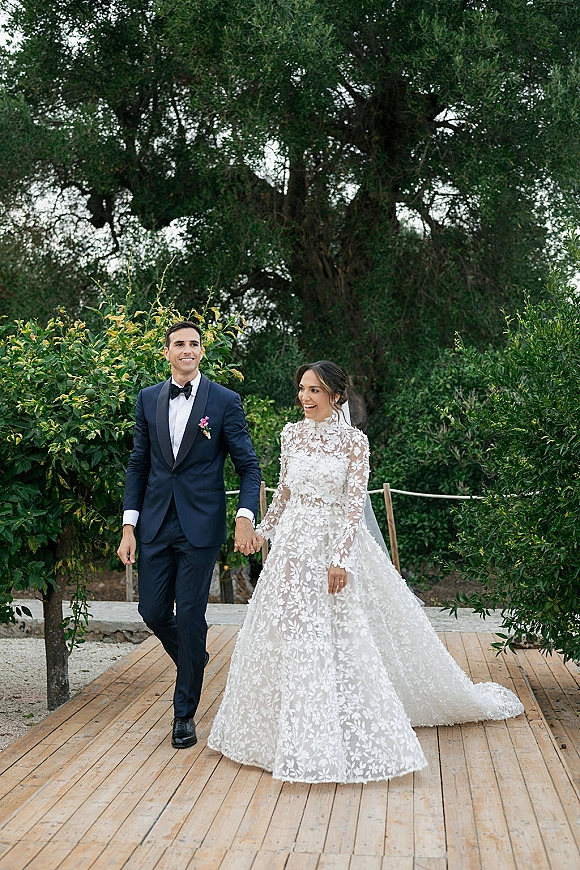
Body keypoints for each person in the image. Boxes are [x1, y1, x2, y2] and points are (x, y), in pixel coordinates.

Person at [208, 360, 523, 783]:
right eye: (302, 389)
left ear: (336, 396)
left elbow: (354, 506)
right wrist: (262, 531)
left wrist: (340, 559)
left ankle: (335, 722)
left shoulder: (354, 442)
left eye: (314, 390)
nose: (304, 397)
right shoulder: (291, 434)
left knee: (337, 633)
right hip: (293, 549)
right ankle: (281, 732)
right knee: (288, 631)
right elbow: (284, 493)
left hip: (332, 544)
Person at [117, 321, 262, 750]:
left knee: (192, 616)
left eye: (194, 344)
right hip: (155, 523)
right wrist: (128, 526)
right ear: (167, 352)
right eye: (179, 344)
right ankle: (194, 656)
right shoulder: (147, 399)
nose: (187, 349)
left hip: (201, 525)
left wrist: (245, 517)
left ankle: (184, 715)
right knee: (152, 610)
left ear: (201, 351)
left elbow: (249, 466)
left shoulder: (224, 401)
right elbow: (139, 464)